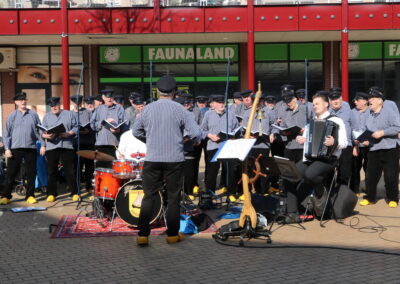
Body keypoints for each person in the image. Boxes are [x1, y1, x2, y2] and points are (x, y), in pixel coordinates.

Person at [132, 75, 202, 246]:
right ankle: (171, 234)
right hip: (174, 159)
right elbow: (196, 134)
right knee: (173, 198)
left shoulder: (147, 109)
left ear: (157, 92)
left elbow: (135, 131)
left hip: (152, 159)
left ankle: (143, 235)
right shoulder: (180, 110)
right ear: (174, 91)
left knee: (149, 196)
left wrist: (151, 141)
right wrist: (189, 139)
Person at [282, 91, 347, 222]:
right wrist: (302, 139)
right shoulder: (310, 124)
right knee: (288, 176)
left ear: (326, 104)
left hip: (329, 159)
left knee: (310, 174)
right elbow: (308, 142)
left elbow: (344, 143)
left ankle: (320, 191)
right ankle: (292, 213)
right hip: (311, 158)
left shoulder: (336, 121)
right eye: (314, 104)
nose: (314, 106)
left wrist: (334, 142)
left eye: (317, 104)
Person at [359, 87, 400, 208]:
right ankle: (370, 198)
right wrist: (365, 141)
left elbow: (397, 127)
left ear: (380, 101)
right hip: (373, 149)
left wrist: (382, 133)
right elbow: (365, 130)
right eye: (369, 98)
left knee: (391, 175)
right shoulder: (368, 114)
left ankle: (393, 198)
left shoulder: (389, 111)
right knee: (370, 175)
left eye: (372, 98)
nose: (369, 100)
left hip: (390, 148)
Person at [0, 92, 41, 205]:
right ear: (16, 102)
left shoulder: (33, 115)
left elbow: (39, 131)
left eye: (24, 99)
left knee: (31, 172)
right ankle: (6, 196)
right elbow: (6, 134)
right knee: (11, 172)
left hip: (30, 147)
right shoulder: (12, 116)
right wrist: (7, 149)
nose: (23, 101)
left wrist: (43, 144)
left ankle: (30, 195)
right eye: (20, 100)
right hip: (15, 148)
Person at [201, 94, 241, 203]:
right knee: (211, 172)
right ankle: (209, 194)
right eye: (219, 102)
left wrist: (234, 136)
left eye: (222, 102)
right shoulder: (208, 114)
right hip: (213, 147)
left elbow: (237, 129)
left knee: (230, 171)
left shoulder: (231, 114)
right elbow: (202, 130)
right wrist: (210, 135)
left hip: (228, 146)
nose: (221, 104)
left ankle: (231, 193)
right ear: (213, 104)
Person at [39, 97, 79, 202]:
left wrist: (69, 133)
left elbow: (76, 127)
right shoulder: (47, 116)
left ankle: (74, 193)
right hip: (52, 146)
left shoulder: (69, 114)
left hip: (67, 145)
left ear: (59, 104)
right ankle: (51, 193)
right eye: (51, 106)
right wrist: (45, 137)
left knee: (69, 171)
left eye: (55, 105)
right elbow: (42, 131)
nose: (54, 107)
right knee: (52, 171)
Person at [90, 89, 128, 168]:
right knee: (101, 168)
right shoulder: (98, 109)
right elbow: (92, 125)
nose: (109, 99)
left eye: (111, 97)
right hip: (101, 144)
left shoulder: (119, 108)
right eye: (107, 97)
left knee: (114, 168)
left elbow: (126, 124)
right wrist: (103, 122)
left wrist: (119, 130)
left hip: (114, 144)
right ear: (103, 98)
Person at [270, 90, 310, 163]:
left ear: (295, 99)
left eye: (289, 101)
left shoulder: (305, 109)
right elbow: (281, 127)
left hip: (303, 147)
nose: (288, 104)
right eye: (286, 102)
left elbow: (314, 122)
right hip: (289, 146)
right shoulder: (284, 112)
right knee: (290, 171)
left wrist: (306, 130)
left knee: (301, 171)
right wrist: (283, 132)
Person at [329, 88, 354, 186]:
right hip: (331, 146)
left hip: (346, 145)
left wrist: (355, 145)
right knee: (329, 171)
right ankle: (330, 192)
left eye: (338, 98)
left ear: (341, 98)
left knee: (344, 171)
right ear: (329, 101)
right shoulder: (326, 111)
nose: (336, 101)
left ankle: (342, 192)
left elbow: (354, 126)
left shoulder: (348, 109)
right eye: (333, 99)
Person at [71, 95, 94, 193]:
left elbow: (93, 125)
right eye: (75, 102)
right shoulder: (69, 114)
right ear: (72, 102)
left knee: (89, 166)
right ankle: (76, 186)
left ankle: (89, 185)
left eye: (79, 102)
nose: (77, 104)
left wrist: (88, 130)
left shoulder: (88, 112)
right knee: (77, 166)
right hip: (76, 143)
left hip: (88, 142)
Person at [349, 92, 370, 194]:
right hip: (355, 145)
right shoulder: (351, 112)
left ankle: (369, 188)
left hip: (369, 145)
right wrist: (354, 143)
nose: (355, 102)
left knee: (368, 168)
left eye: (358, 100)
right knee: (355, 168)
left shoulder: (372, 112)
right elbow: (349, 128)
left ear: (365, 101)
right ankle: (355, 189)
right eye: (355, 100)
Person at [192, 95, 210, 195]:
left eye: (203, 103)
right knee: (195, 161)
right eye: (200, 103)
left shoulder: (209, 110)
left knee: (208, 161)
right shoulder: (193, 111)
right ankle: (194, 183)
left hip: (207, 138)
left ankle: (207, 183)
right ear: (197, 102)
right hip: (197, 138)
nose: (201, 104)